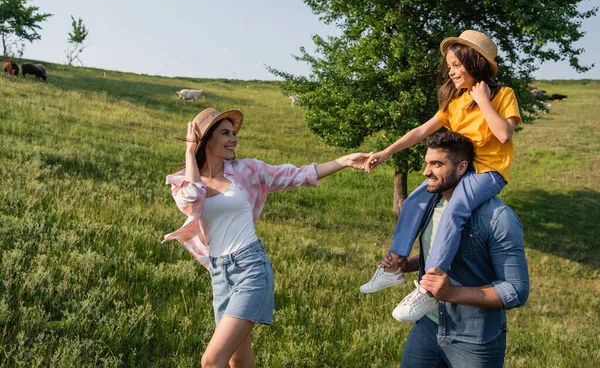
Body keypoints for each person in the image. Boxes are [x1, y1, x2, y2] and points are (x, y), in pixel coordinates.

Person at [162, 108, 369, 368]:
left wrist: (344, 161)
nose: (234, 139)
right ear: (206, 140)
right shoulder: (183, 182)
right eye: (225, 133)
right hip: (219, 274)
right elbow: (191, 198)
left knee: (212, 361)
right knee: (238, 358)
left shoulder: (246, 170)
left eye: (234, 133)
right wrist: (189, 154)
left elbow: (297, 175)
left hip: (250, 267)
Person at [359, 30, 521, 322]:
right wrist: (385, 152)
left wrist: (483, 99)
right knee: (414, 201)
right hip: (458, 168)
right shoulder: (455, 102)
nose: (452, 71)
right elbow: (421, 131)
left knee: (455, 209)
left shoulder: (502, 95)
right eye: (450, 65)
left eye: (457, 65)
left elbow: (504, 133)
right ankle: (393, 267)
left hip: (487, 172)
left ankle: (430, 285)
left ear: (475, 63)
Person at [397, 132, 529, 367]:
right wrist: (404, 265)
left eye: (437, 164)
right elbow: (447, 254)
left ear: (462, 168)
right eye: (427, 163)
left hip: (474, 339)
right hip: (427, 327)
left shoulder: (498, 218)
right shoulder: (431, 206)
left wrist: (452, 294)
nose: (426, 172)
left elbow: (516, 290)